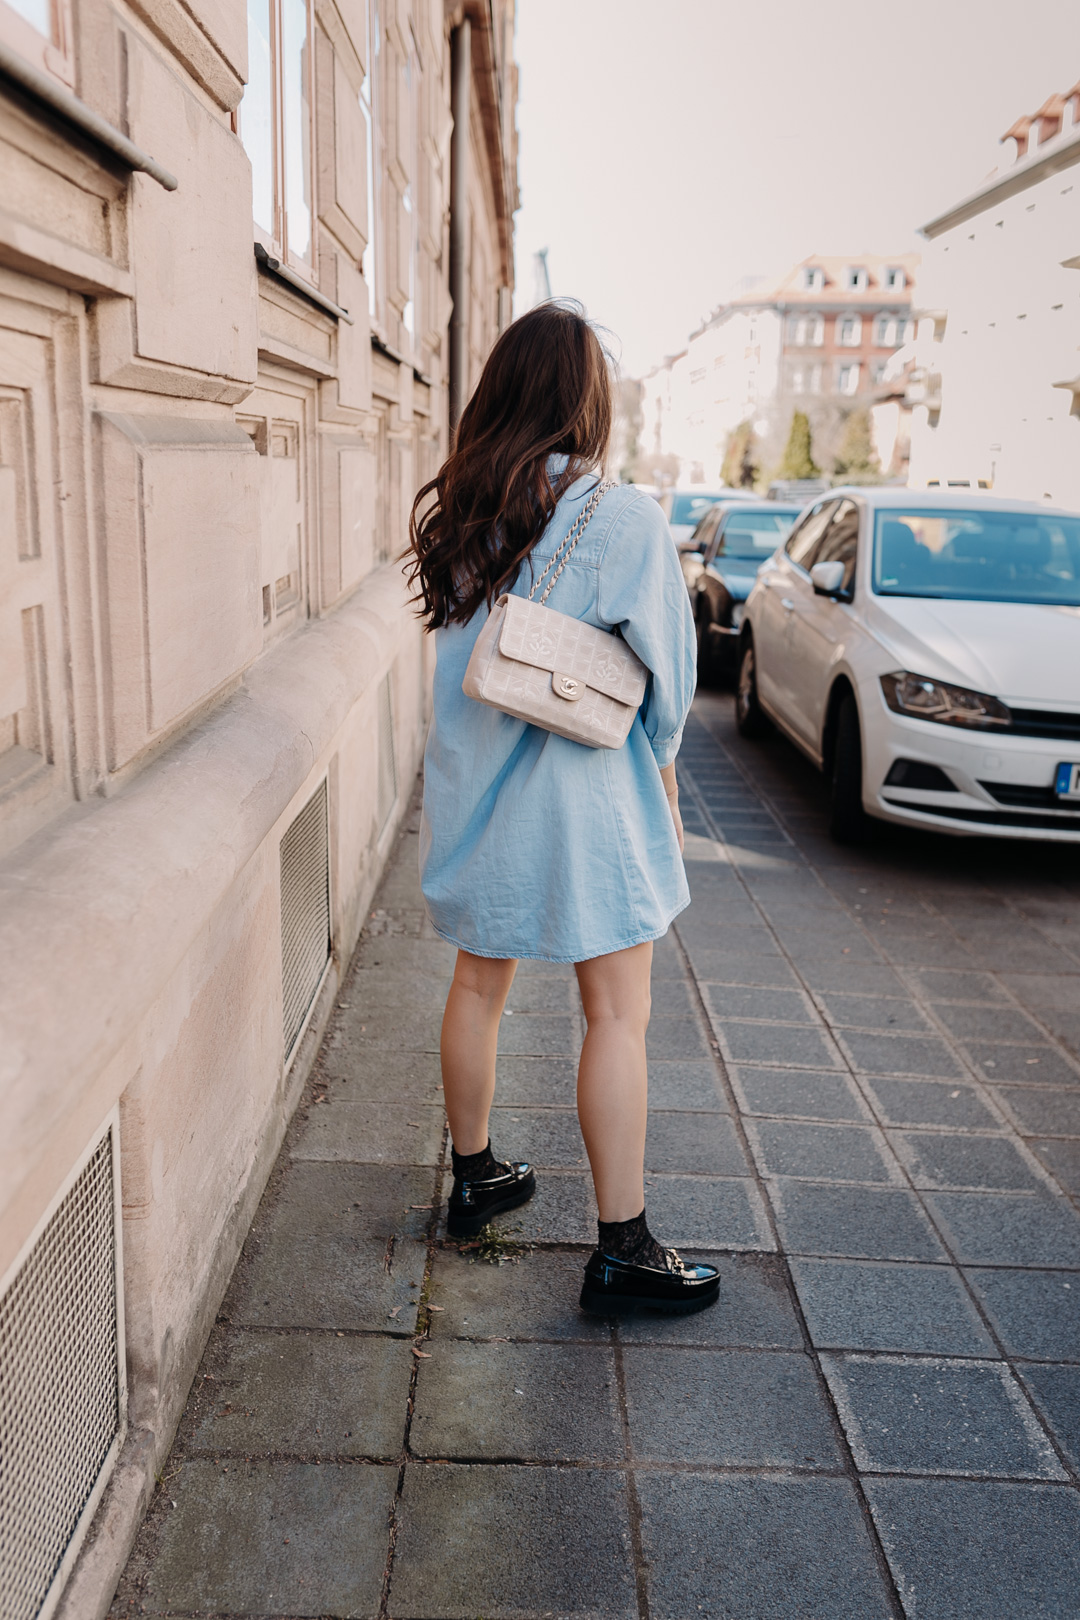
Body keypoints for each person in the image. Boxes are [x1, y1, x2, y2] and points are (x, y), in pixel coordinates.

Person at [407, 301, 719, 1316]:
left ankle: (475, 1177)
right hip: (589, 805)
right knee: (616, 1014)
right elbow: (670, 679)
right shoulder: (621, 518)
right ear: (588, 400)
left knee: (477, 989)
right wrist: (663, 776)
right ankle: (623, 1245)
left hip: (482, 793)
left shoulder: (461, 510)